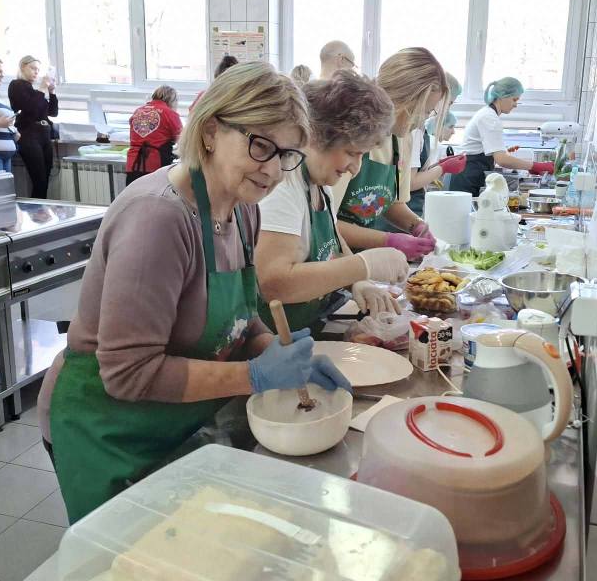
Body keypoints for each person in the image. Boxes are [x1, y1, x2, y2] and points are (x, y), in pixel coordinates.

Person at [39, 62, 350, 523]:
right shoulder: (157, 220)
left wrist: (276, 348)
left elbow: (240, 317)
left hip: (176, 420)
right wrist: (256, 376)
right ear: (210, 131)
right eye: (261, 145)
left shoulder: (243, 209)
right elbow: (128, 374)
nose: (273, 170)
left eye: (287, 155)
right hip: (110, 432)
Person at [255, 71, 409, 333]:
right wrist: (361, 266)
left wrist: (358, 282)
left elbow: (333, 240)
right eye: (351, 153)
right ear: (318, 136)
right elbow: (273, 284)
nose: (355, 169)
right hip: (274, 338)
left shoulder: (320, 183)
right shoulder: (284, 186)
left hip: (310, 326)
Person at [332, 47, 450, 261]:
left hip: (357, 257)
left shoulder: (402, 138)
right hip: (328, 256)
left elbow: (391, 203)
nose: (423, 120)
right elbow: (326, 222)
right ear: (403, 99)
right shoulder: (350, 137)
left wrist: (417, 226)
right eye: (424, 111)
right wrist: (388, 240)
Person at [447, 77, 548, 195]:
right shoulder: (490, 118)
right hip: (468, 178)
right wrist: (536, 166)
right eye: (514, 99)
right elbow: (502, 160)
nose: (515, 105)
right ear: (502, 96)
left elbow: (487, 152)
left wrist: (504, 151)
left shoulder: (488, 114)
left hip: (469, 175)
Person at [406, 72, 466, 218]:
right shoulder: (414, 130)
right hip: (405, 209)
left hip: (410, 208)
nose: (448, 109)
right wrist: (443, 167)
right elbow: (409, 183)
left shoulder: (421, 129)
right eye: (449, 103)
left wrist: (439, 165)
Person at [8, 55, 58, 198]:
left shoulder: (34, 91)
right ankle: (37, 210)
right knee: (39, 180)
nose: (36, 72)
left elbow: (52, 112)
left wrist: (52, 92)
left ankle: (41, 209)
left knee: (45, 179)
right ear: (23, 67)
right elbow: (30, 107)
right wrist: (42, 88)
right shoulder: (16, 85)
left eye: (38, 70)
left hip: (44, 135)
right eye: (33, 68)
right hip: (29, 135)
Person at [125, 85, 182, 186]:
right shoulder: (169, 113)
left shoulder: (137, 112)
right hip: (156, 166)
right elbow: (183, 140)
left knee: (134, 195)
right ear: (172, 100)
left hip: (133, 165)